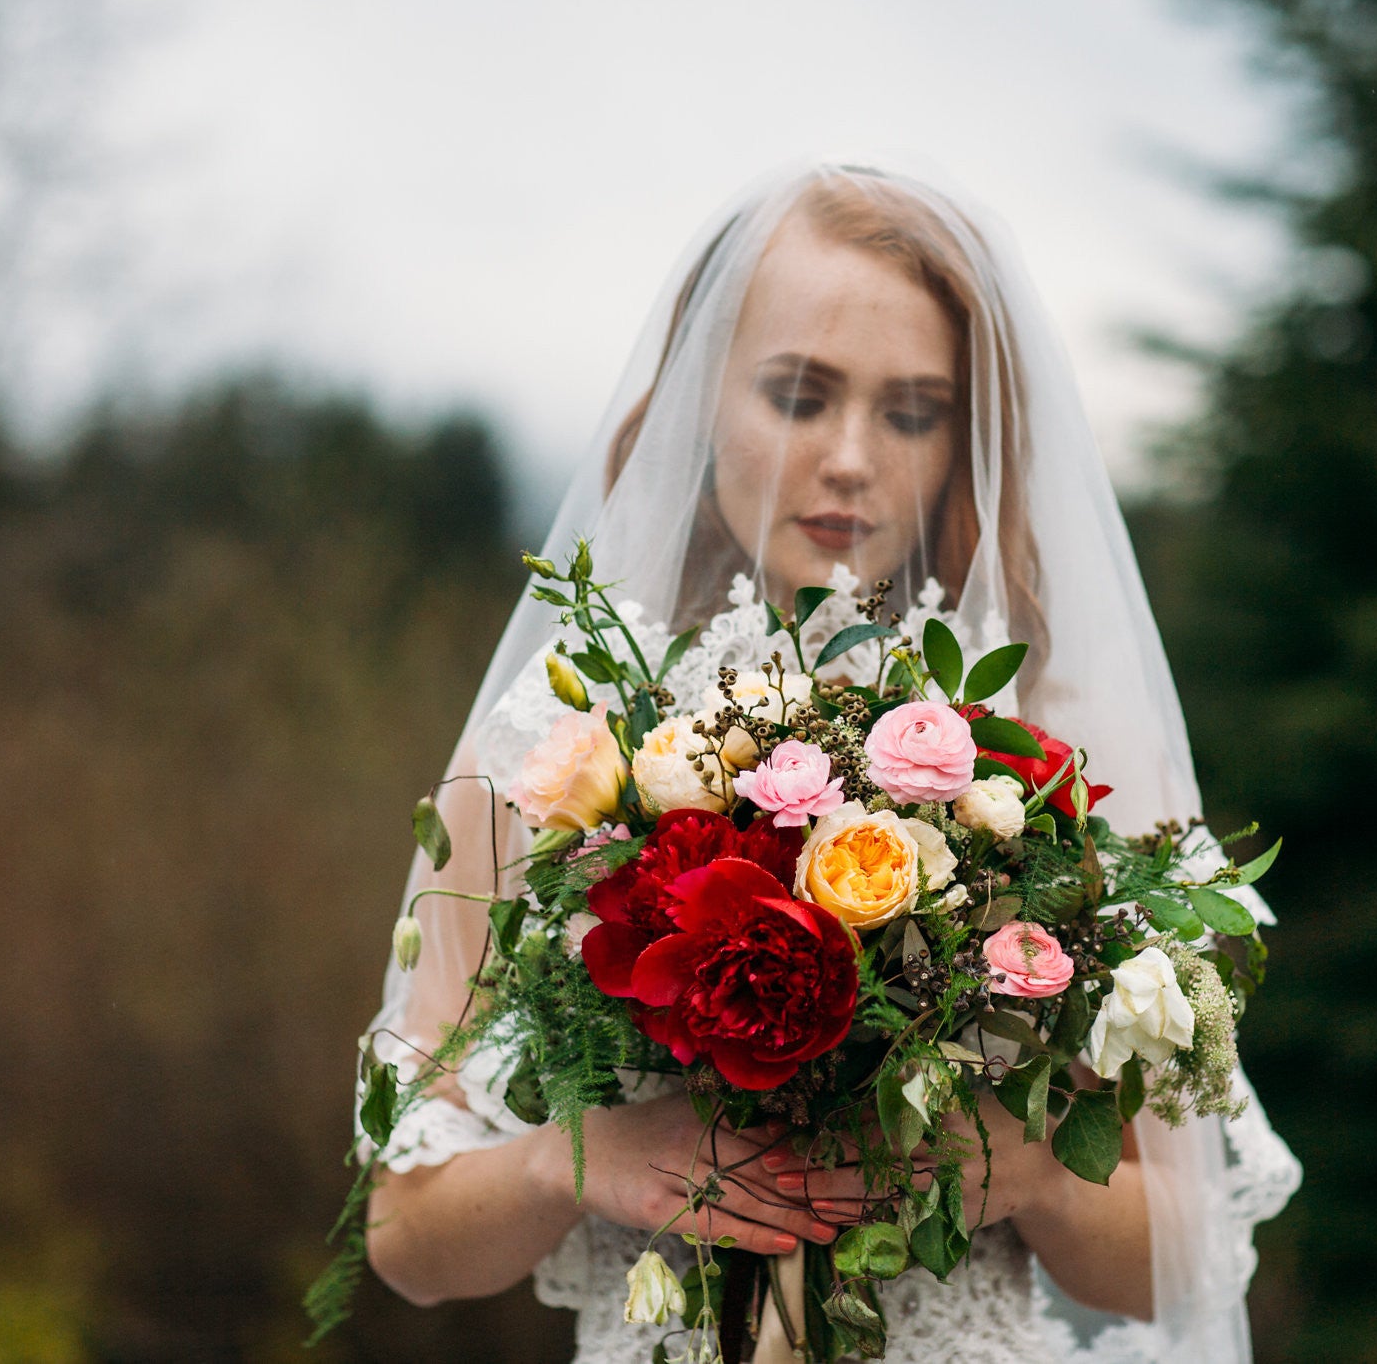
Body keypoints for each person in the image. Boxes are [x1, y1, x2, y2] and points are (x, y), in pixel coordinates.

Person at [354, 160, 1300, 1364]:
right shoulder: (548, 767)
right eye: (799, 397)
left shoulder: (1048, 777)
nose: (851, 457)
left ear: (966, 441)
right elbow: (404, 1241)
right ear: (702, 408)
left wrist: (1033, 1178)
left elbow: (1189, 1265)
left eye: (910, 412)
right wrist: (575, 1154)